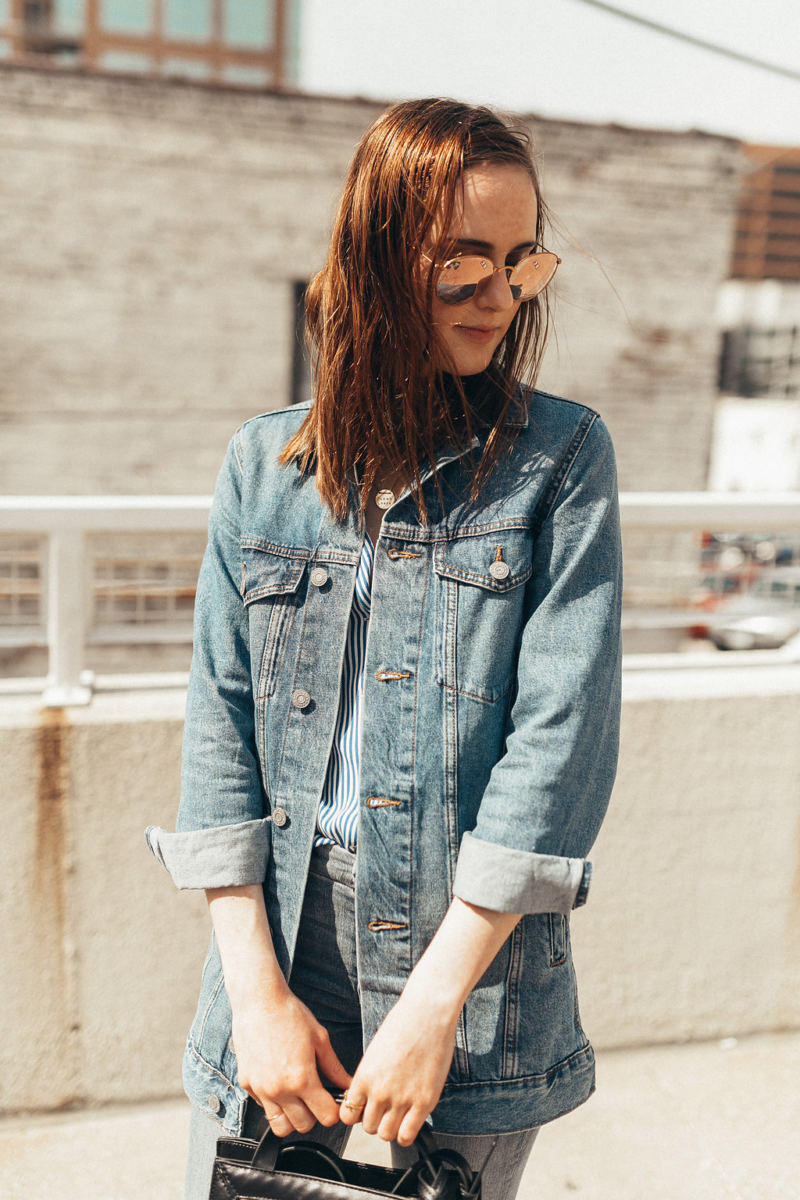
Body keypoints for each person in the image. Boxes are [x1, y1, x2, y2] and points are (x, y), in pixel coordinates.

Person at [146, 97, 622, 1200]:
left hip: (470, 971)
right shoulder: (262, 466)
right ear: (378, 258)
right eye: (464, 263)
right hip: (280, 954)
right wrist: (256, 998)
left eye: (521, 262)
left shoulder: (556, 461)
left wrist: (428, 1011)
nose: (498, 295)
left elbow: (557, 750)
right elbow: (219, 727)